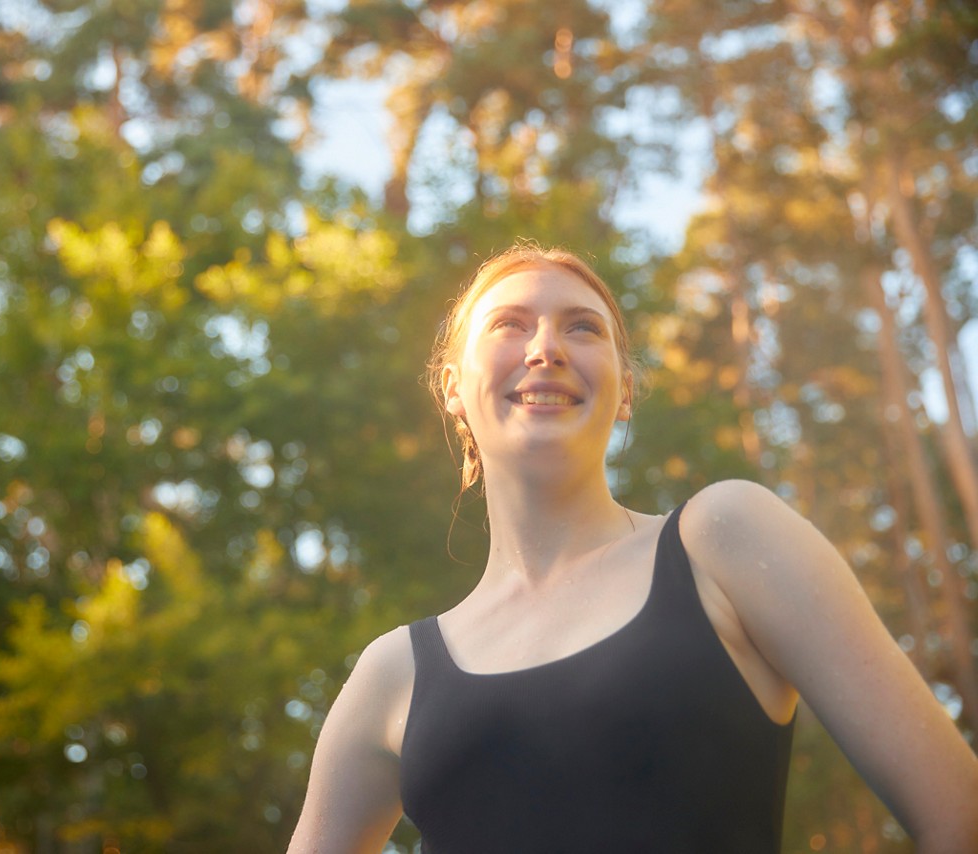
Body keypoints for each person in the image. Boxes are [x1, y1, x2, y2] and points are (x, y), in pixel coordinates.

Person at [286, 242, 978, 853]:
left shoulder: (726, 539)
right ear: (453, 391)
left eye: (582, 328)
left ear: (624, 392)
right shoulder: (391, 675)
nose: (546, 348)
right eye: (509, 325)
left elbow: (961, 816)